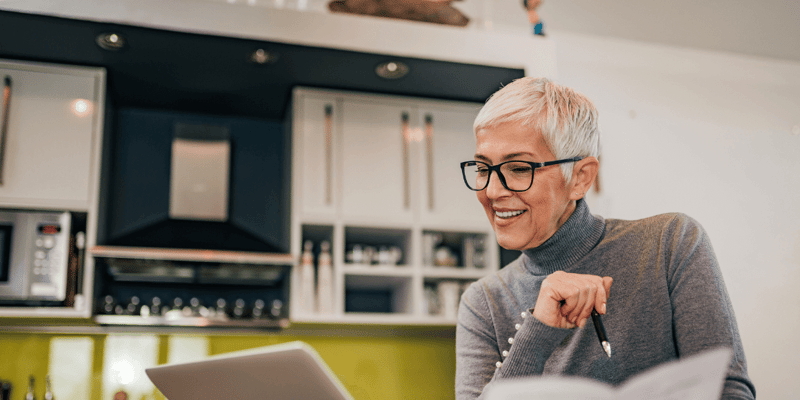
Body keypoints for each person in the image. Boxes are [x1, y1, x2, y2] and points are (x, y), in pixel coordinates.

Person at [455, 77, 755, 399]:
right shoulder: (483, 301)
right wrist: (538, 330)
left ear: (580, 178)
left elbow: (728, 390)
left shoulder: (670, 244)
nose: (492, 191)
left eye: (518, 168)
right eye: (483, 168)